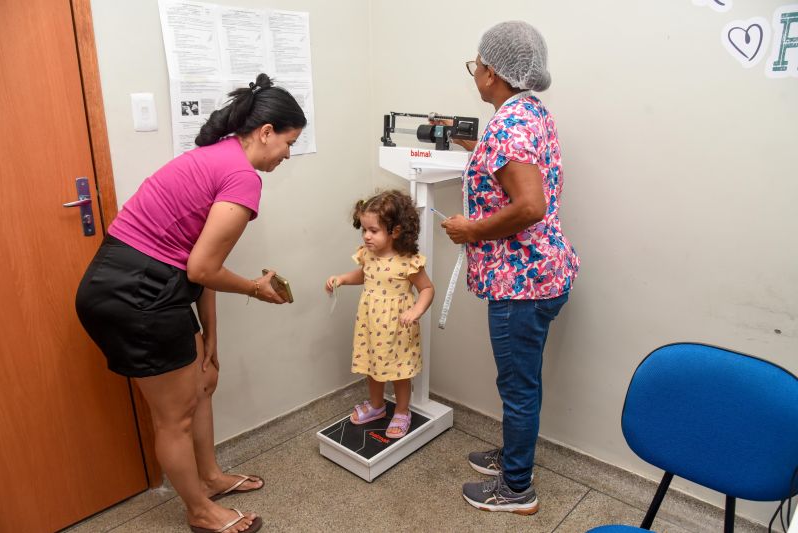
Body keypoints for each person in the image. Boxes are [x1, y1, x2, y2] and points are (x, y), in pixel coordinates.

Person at [75, 73, 306, 533]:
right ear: (265, 132)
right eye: (289, 143)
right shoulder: (242, 177)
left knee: (200, 385)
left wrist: (211, 340)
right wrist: (256, 289)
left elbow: (198, 264)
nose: (287, 154)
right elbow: (202, 270)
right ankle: (200, 511)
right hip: (136, 292)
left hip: (146, 283)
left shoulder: (218, 155)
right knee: (174, 418)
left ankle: (211, 478)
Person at [437, 22, 580, 515]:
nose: (474, 72)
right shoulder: (529, 113)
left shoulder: (507, 126)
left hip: (521, 283)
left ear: (491, 72)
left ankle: (517, 488)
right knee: (521, 381)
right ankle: (513, 457)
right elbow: (516, 174)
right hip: (543, 272)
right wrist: (475, 155)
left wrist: (471, 230)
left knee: (518, 387)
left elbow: (530, 206)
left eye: (475, 64)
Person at [325, 190, 434, 439]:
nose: (366, 236)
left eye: (373, 230)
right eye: (364, 230)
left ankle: (402, 411)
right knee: (372, 367)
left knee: (399, 371)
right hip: (370, 323)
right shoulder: (368, 255)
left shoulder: (408, 261)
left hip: (398, 326)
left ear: (395, 231)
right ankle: (376, 406)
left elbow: (427, 289)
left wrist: (416, 310)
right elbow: (364, 275)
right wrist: (342, 278)